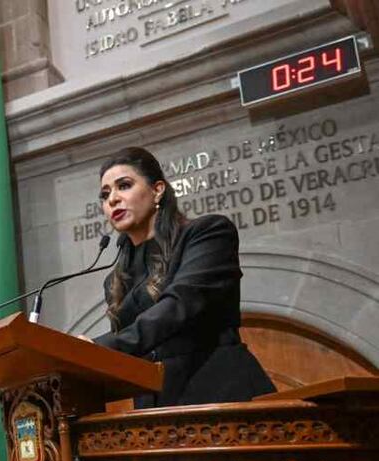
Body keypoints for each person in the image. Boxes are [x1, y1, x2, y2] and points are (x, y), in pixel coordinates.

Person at [90, 146, 275, 407]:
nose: (112, 200)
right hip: (155, 410)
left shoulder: (207, 233)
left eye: (124, 185)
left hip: (219, 394)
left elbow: (179, 305)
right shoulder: (115, 280)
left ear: (158, 190)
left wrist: (98, 348)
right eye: (105, 194)